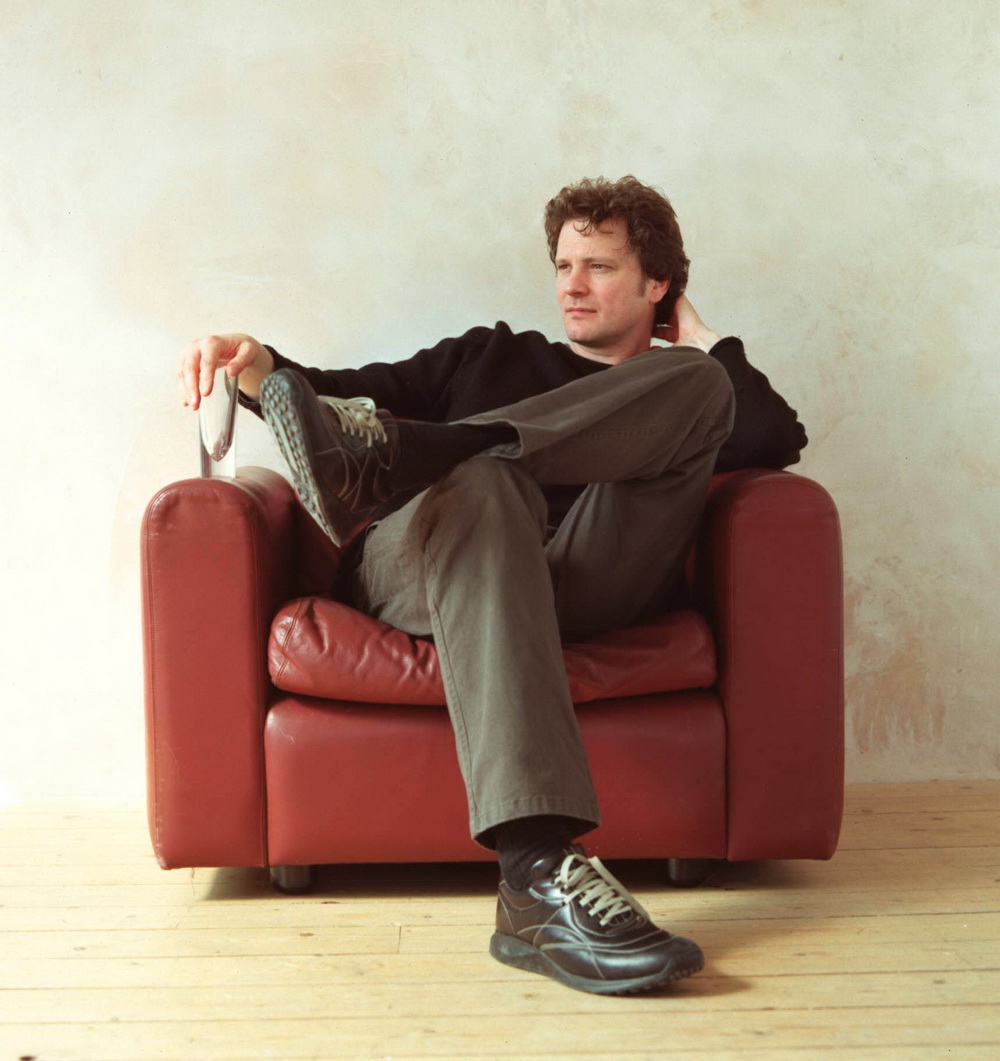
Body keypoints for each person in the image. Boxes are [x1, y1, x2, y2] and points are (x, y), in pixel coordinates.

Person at [178, 176, 807, 996]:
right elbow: (328, 399)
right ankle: (537, 871)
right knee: (484, 482)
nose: (572, 285)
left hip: (580, 578)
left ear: (658, 283)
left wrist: (704, 342)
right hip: (434, 567)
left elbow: (773, 434)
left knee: (701, 387)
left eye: (600, 266)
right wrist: (258, 366)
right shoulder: (491, 356)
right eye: (563, 265)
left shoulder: (674, 383)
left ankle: (420, 451)